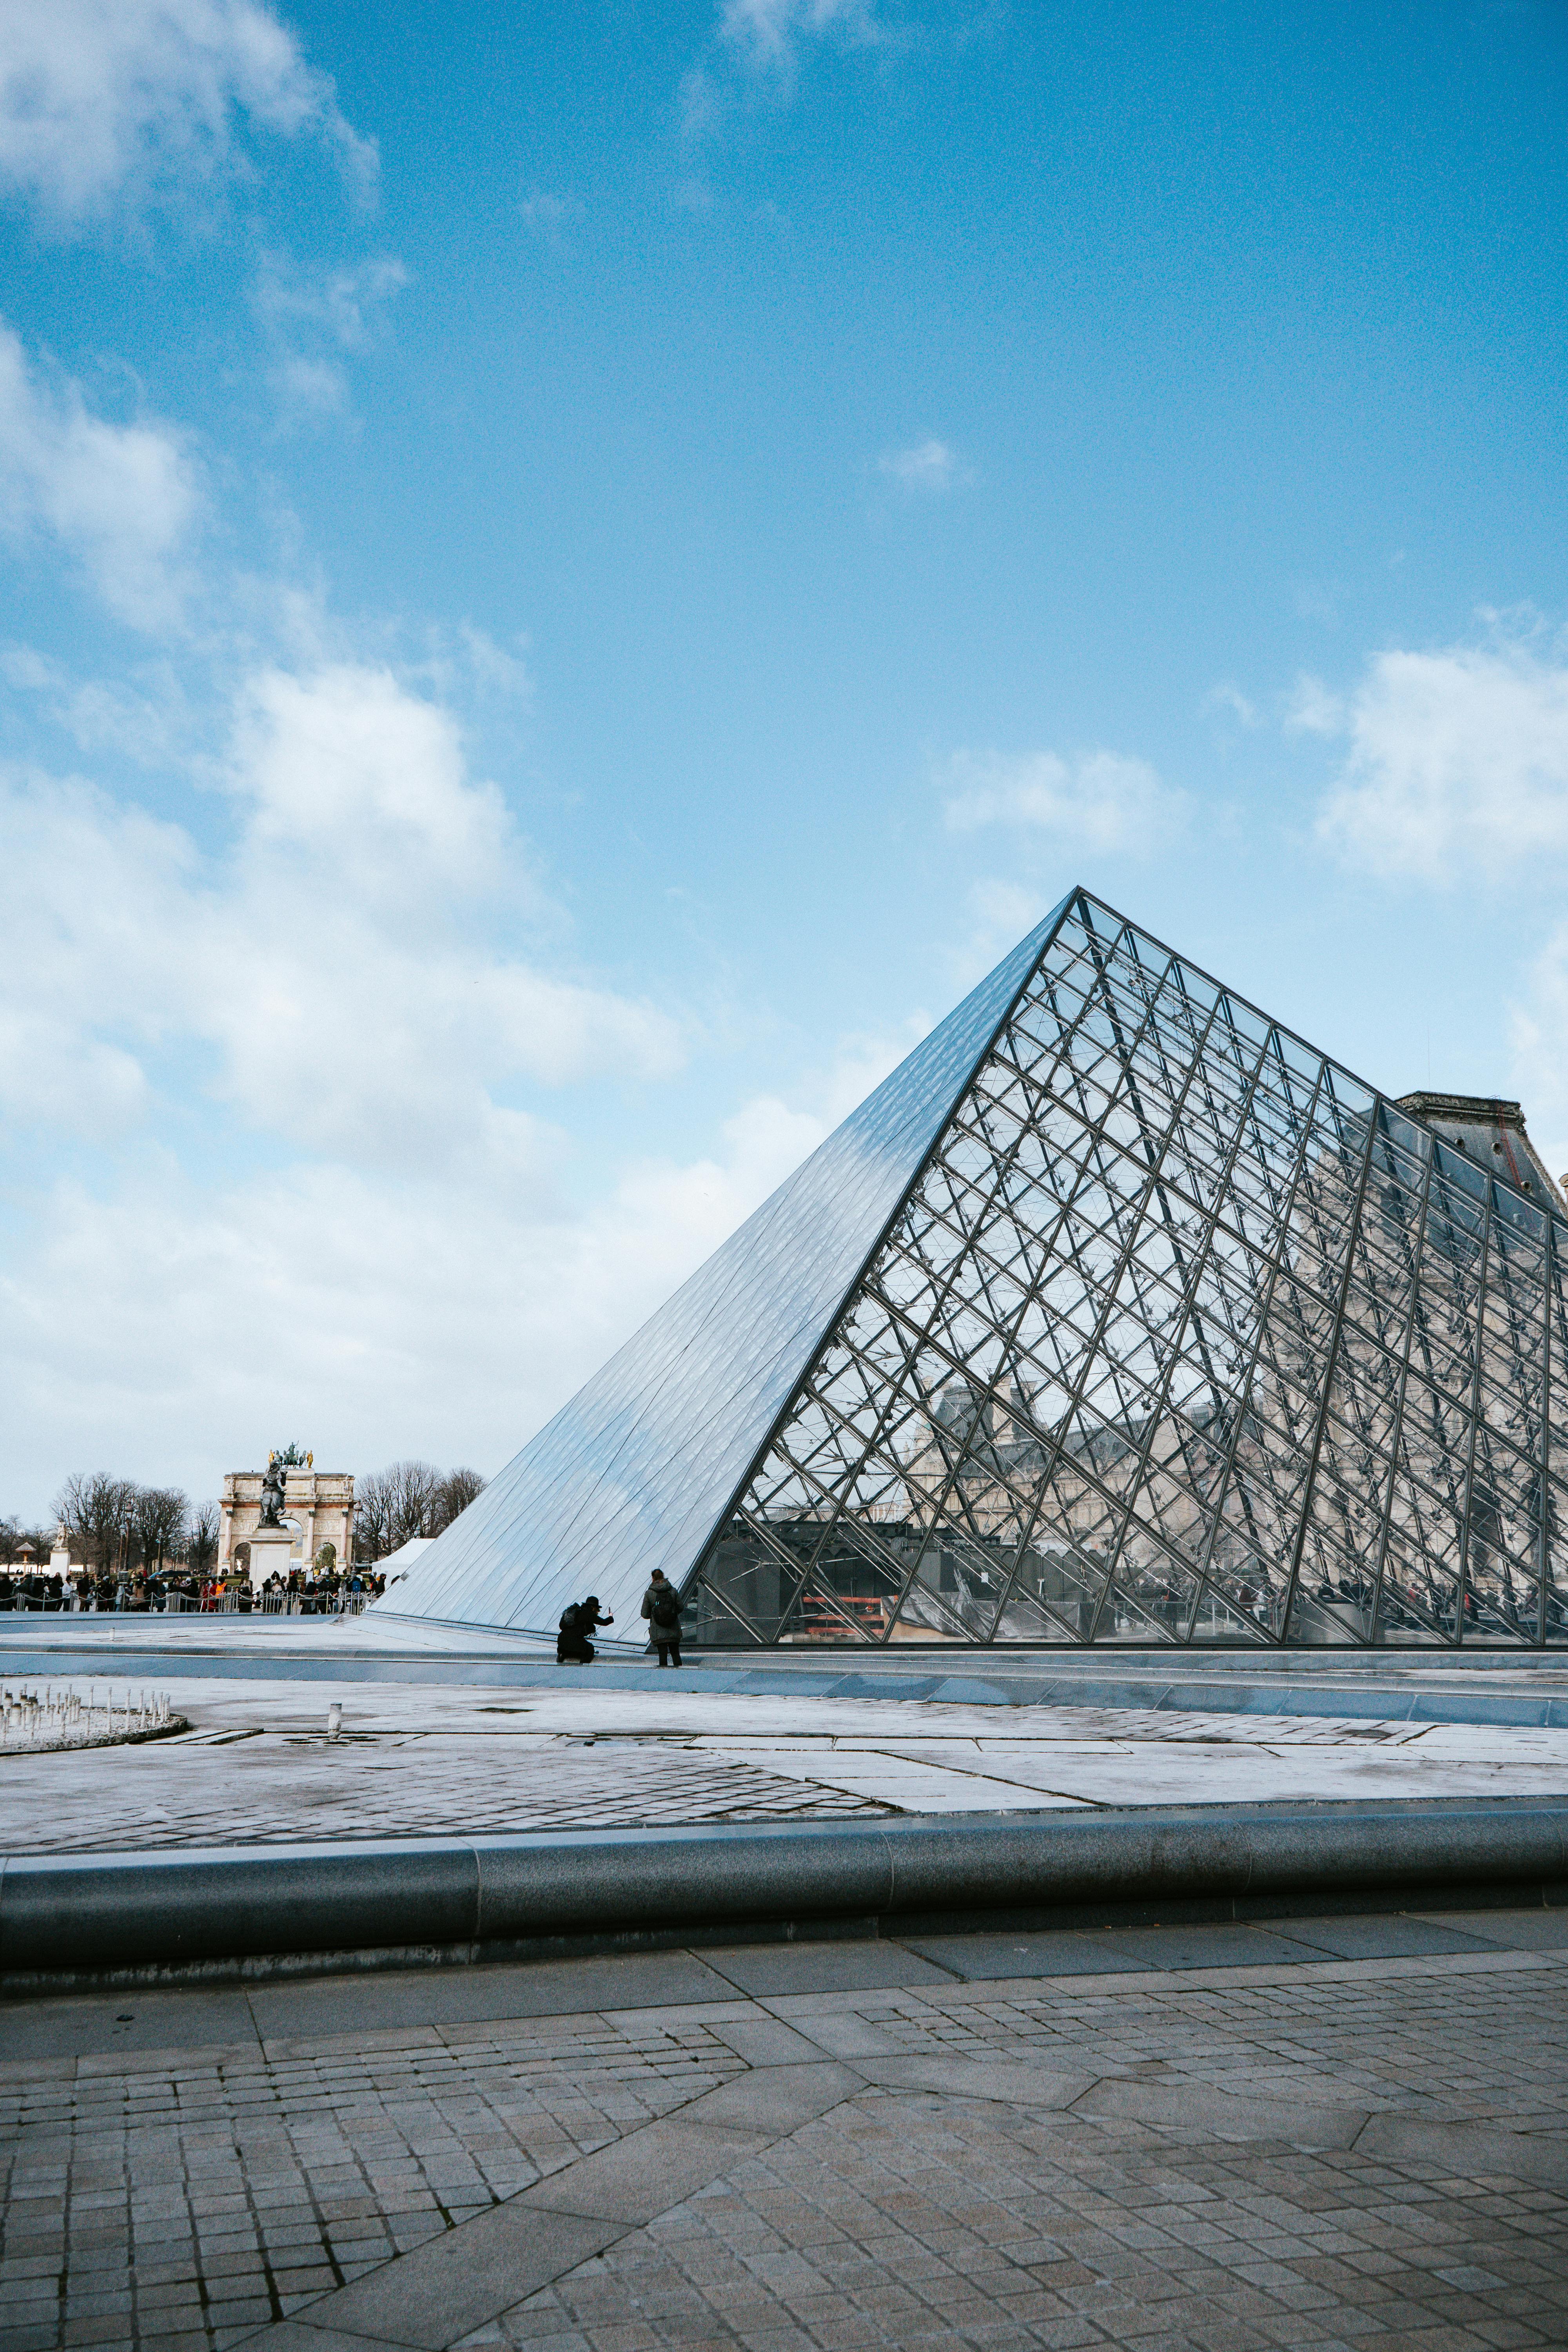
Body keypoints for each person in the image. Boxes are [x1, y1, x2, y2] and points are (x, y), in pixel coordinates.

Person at [641, 1570, 686, 1668]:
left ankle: (664, 1680)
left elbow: (644, 1614)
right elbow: (681, 1608)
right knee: (676, 1654)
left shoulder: (649, 1593)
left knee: (663, 1655)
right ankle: (681, 1678)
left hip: (659, 1631)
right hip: (674, 1630)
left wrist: (655, 1615)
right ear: (663, 1577)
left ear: (653, 1578)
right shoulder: (673, 1590)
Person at [557, 1594, 613, 1664]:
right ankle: (582, 1668)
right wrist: (611, 1617)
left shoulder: (579, 1612)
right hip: (571, 1641)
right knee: (590, 1649)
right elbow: (604, 1622)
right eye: (597, 1609)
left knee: (579, 1648)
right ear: (593, 1608)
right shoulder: (588, 1614)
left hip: (562, 1641)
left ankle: (562, 1656)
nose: (597, 1612)